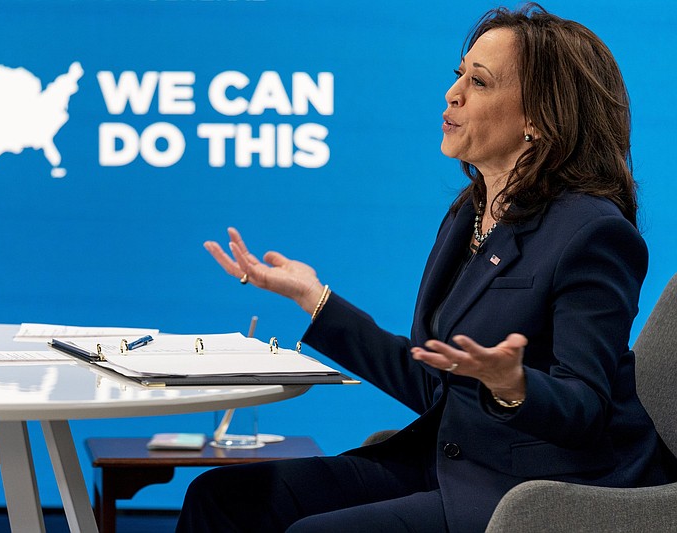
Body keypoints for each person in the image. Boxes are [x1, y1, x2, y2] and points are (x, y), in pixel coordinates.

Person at [177, 4, 677, 532]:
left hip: (535, 487)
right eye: (458, 74)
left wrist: (512, 384)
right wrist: (314, 299)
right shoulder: (469, 214)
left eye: (479, 82)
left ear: (538, 117)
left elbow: (585, 409)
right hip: (446, 463)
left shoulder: (592, 233)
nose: (453, 93)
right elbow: (432, 383)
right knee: (223, 498)